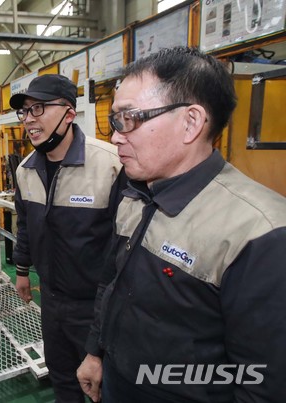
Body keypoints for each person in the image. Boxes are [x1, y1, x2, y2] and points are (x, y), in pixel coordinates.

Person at [77, 46, 286, 403]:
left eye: (129, 119)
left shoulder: (260, 233)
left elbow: (264, 386)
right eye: (115, 121)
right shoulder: (134, 195)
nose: (114, 136)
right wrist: (96, 353)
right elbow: (111, 284)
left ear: (190, 122)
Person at [10, 74, 125, 402]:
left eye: (39, 109)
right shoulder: (25, 169)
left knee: (104, 387)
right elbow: (25, 226)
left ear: (69, 114)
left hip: (96, 304)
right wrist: (21, 269)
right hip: (51, 300)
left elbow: (126, 247)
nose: (29, 120)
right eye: (25, 112)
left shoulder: (110, 165)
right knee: (62, 379)